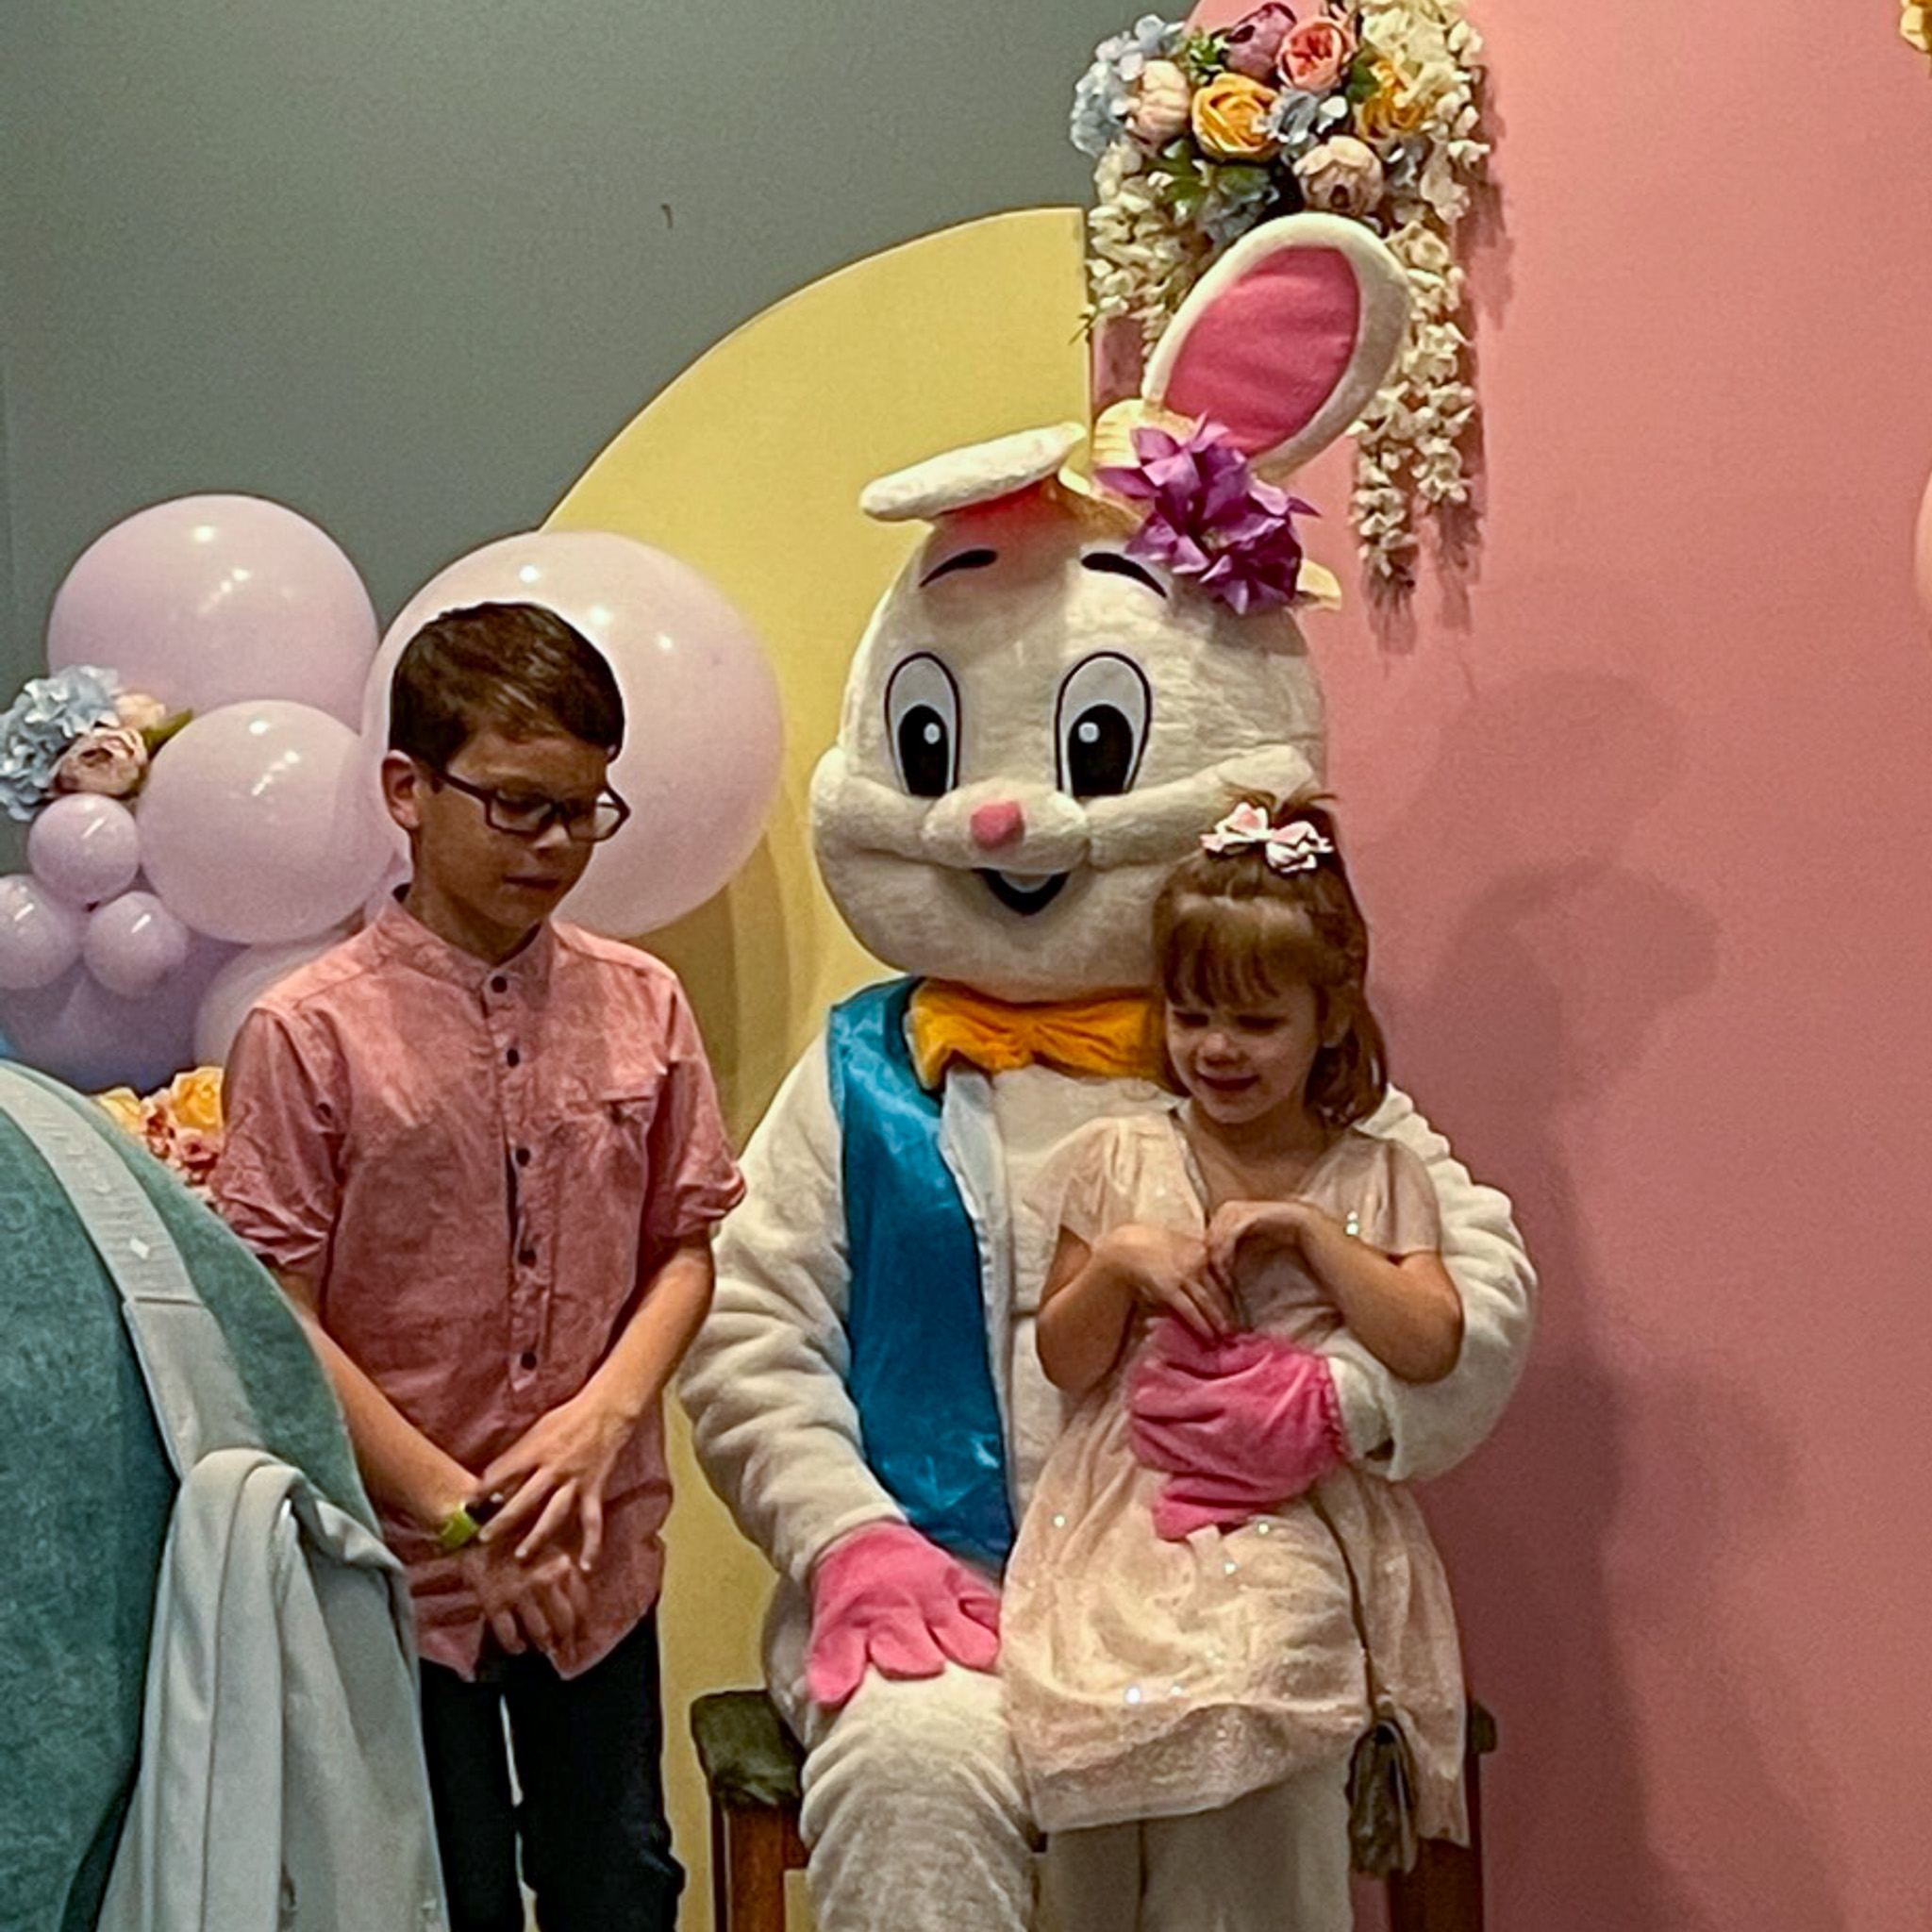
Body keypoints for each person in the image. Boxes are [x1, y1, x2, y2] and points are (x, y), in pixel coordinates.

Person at [215, 601, 744, 1932]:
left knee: (619, 1882)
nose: (557, 845)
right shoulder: (308, 1031)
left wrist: (603, 1419)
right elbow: (272, 1302)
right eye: (516, 806)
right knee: (435, 1897)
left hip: (595, 1554)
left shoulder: (644, 1002)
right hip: (404, 1572)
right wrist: (461, 1509)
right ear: (408, 788)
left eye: (583, 809)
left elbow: (686, 1244)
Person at [1001, 796, 1470, 1932]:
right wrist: (1117, 1264)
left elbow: (1429, 1338)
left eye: (1254, 1021)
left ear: (1326, 1018)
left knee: (1257, 1663)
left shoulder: (1375, 1171)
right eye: (1191, 1013)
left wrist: (1314, 1234)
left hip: (1289, 1512)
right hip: (1123, 1511)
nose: (1215, 1047)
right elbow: (1066, 1361)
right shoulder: (1118, 1156)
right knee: (1103, 1694)